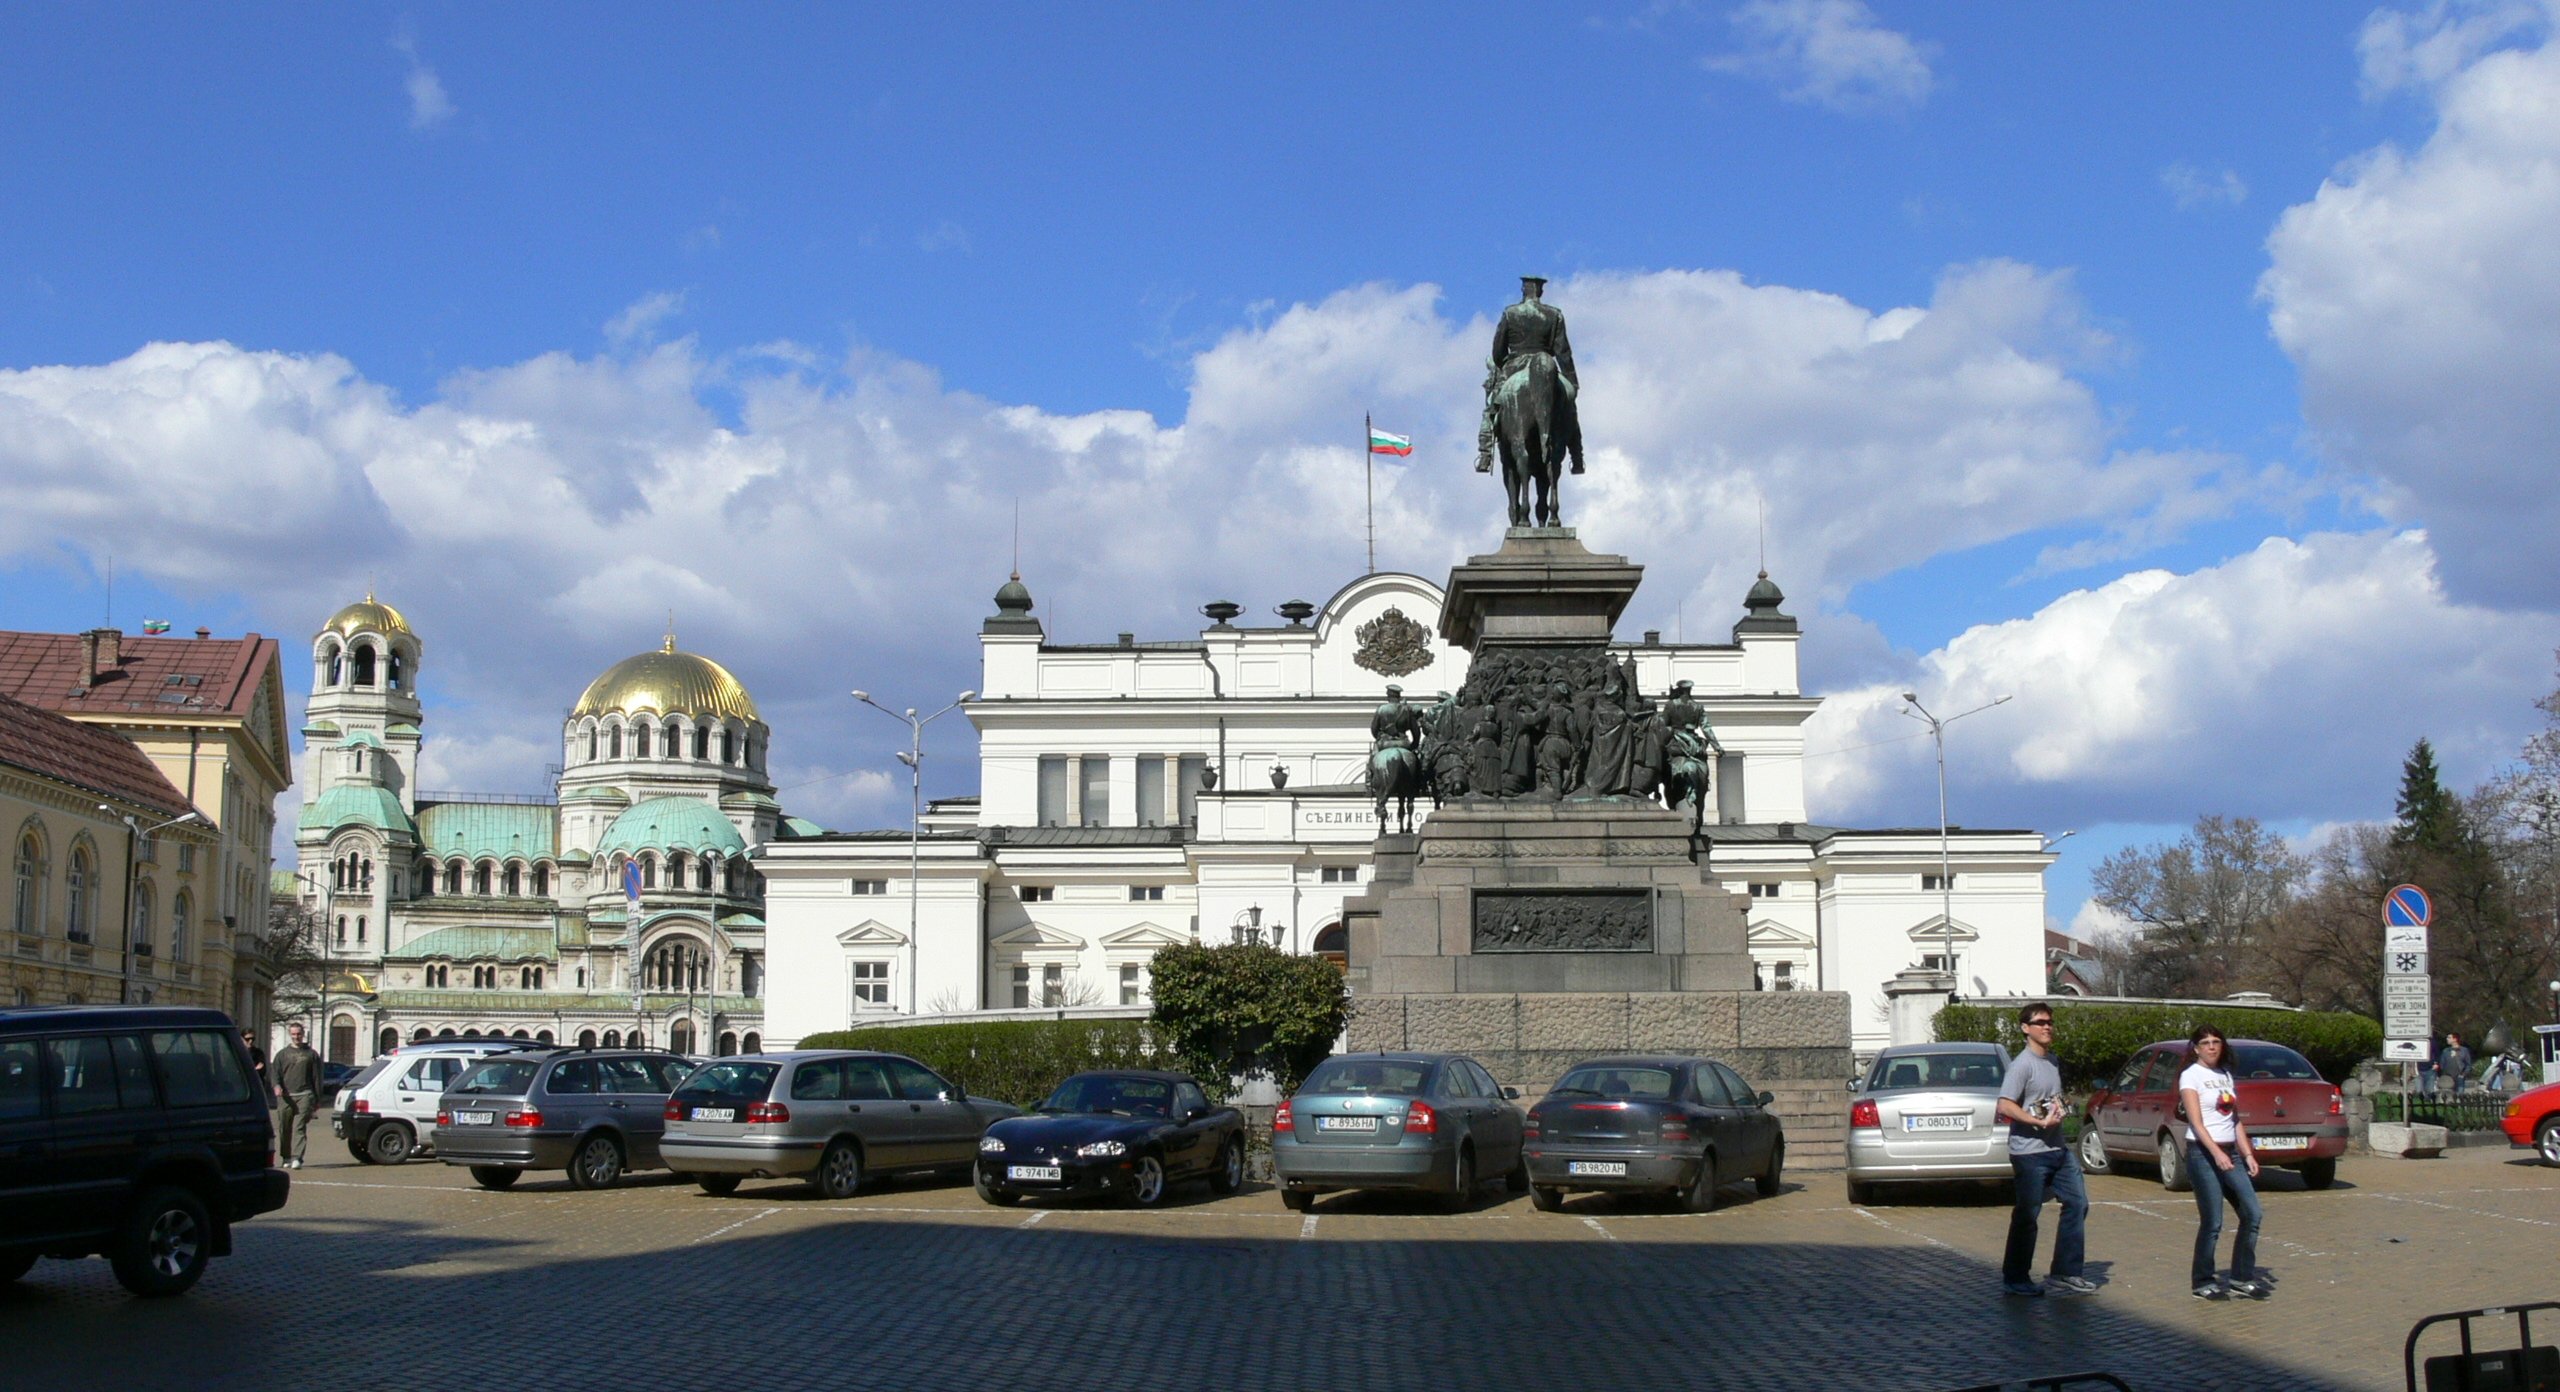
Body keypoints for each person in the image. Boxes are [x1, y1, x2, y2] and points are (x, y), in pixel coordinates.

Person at [1996, 1001, 2094, 1298]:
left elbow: (2052, 1097)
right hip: (2029, 1152)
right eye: (2040, 1023)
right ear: (2026, 1029)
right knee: (2028, 1213)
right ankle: (2015, 1277)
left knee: (2078, 1203)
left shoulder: (2052, 1061)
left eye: (2049, 1022)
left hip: (2058, 1149)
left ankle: (2065, 1272)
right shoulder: (2021, 1065)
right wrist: (2036, 1121)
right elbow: (2005, 1104)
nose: (2047, 1027)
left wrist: (2061, 1109)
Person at [2179, 1025, 2269, 1300]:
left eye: (2216, 1041)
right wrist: (2215, 1152)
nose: (2211, 1047)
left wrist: (2248, 1154)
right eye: (2205, 1042)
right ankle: (2203, 1281)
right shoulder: (2190, 1076)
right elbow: (2196, 1121)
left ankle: (2242, 1278)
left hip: (2230, 1151)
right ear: (2195, 1048)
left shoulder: (2225, 1075)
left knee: (2252, 1214)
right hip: (2203, 1152)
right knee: (2213, 1221)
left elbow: (2234, 1119)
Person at [270, 1023, 324, 1171]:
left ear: (303, 1034)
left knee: (299, 1127)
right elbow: (275, 1074)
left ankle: (297, 1157)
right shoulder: (282, 1054)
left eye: (299, 1034)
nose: (296, 1037)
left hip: (305, 1095)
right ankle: (286, 1157)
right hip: (286, 1097)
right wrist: (276, 1086)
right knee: (284, 1128)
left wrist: (318, 1099)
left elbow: (317, 1077)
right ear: (290, 1034)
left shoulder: (311, 1054)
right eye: (293, 1034)